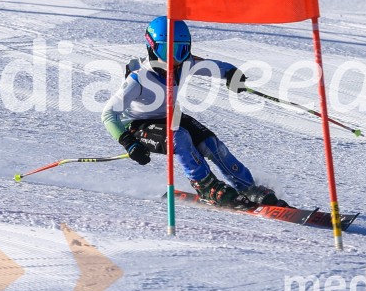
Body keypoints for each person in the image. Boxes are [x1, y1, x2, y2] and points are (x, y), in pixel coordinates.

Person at [102, 16, 286, 208]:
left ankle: (247, 186)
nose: (174, 60)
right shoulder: (138, 78)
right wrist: (129, 143)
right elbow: (108, 114)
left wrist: (232, 74)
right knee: (179, 137)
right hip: (138, 127)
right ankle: (206, 186)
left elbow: (217, 67)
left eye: (181, 51)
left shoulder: (184, 64)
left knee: (210, 143)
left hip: (168, 117)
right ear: (152, 47)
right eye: (166, 51)